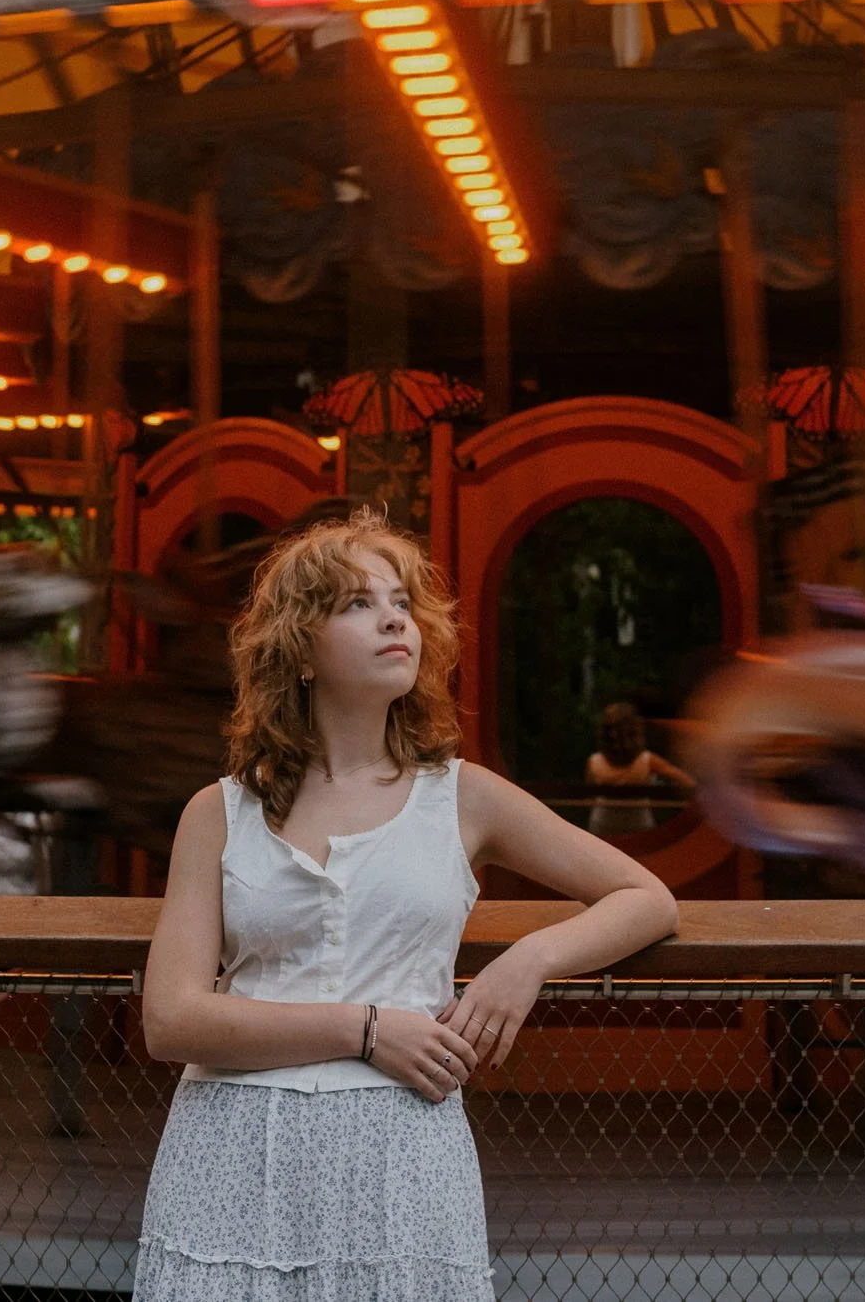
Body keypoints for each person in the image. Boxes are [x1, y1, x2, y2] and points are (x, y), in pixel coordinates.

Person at [137, 508, 677, 1299]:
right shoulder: (218, 812)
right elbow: (170, 1020)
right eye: (356, 603)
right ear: (301, 650)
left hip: (400, 1154)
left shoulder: (462, 797)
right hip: (231, 1152)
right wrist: (366, 1029)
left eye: (400, 601)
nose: (394, 617)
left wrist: (525, 960)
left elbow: (647, 897)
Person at [583, 700, 697, 837]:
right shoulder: (648, 761)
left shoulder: (594, 762)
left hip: (603, 824)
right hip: (638, 826)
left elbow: (588, 798)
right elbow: (687, 782)